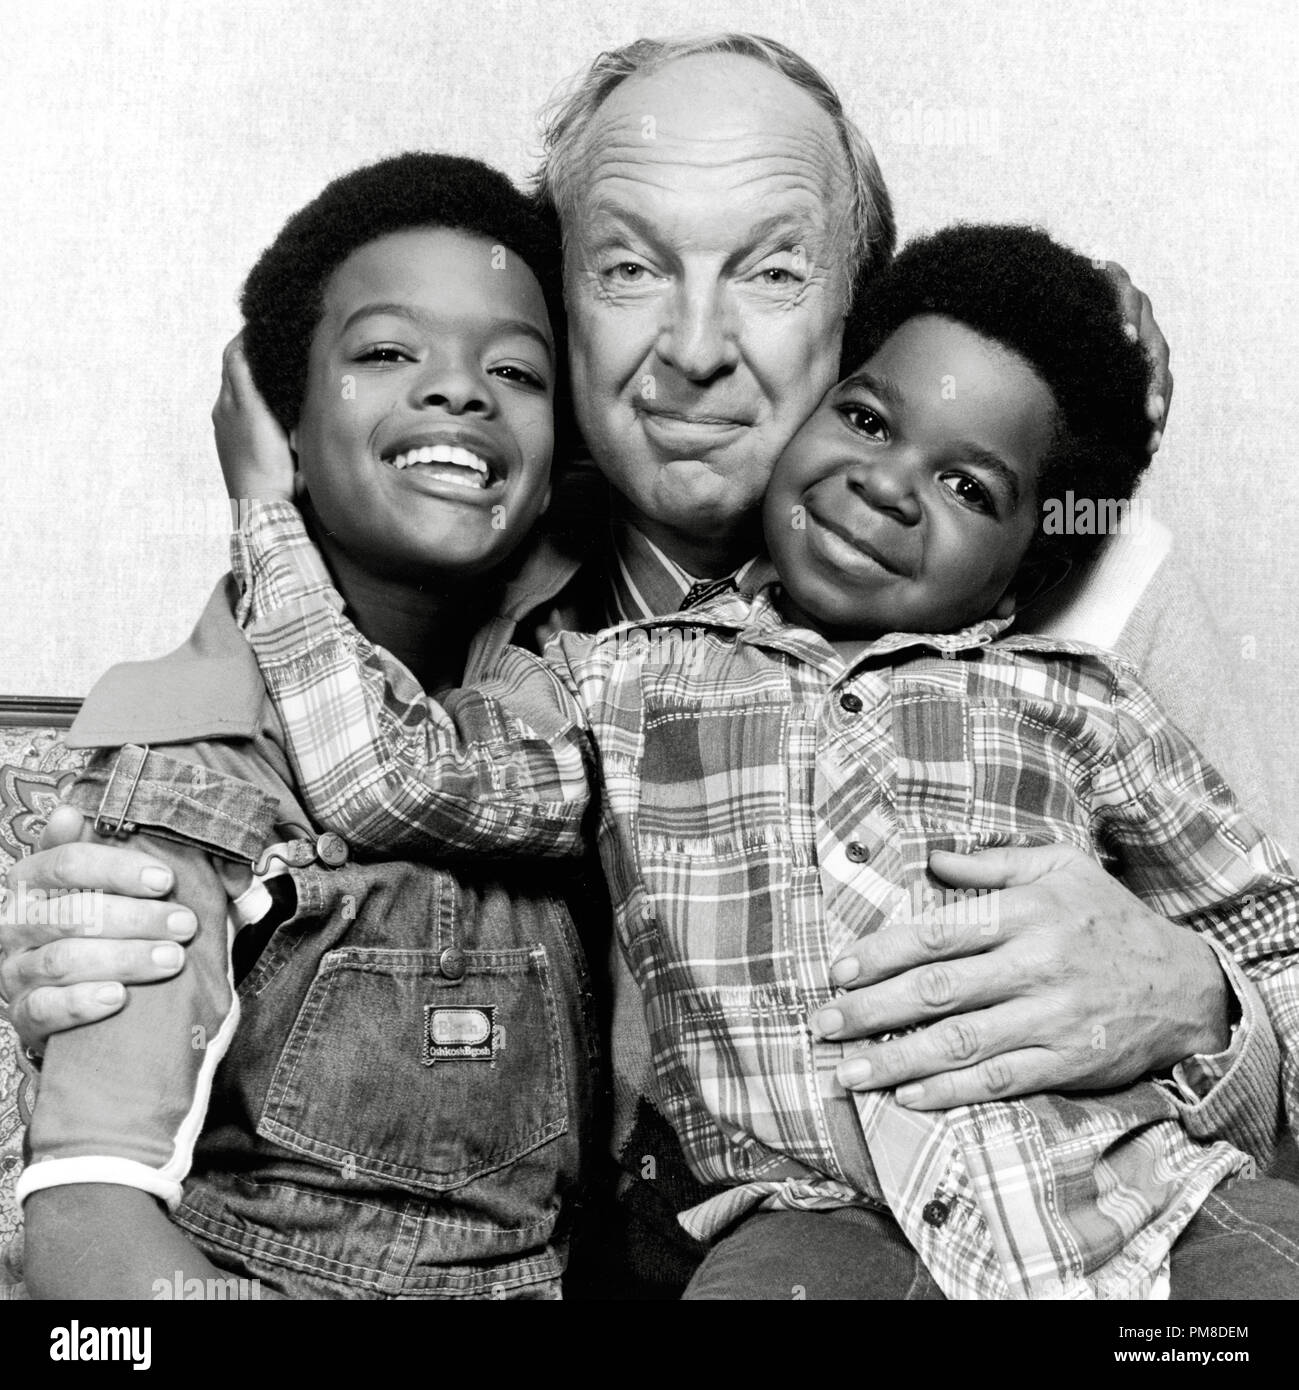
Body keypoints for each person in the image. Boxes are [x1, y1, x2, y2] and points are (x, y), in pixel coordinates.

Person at [2, 34, 1278, 1298]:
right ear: (561, 301)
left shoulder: (1087, 566)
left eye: (773, 272)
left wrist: (1202, 1004)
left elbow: (1271, 948)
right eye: (628, 266)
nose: (696, 348)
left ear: (859, 310)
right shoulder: (458, 539)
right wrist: (89, 945)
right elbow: (223, 800)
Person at [18, 151, 603, 1299]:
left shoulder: (566, 725)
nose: (458, 390)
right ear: (280, 420)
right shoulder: (192, 770)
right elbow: (85, 1231)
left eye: (517, 371)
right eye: (387, 352)